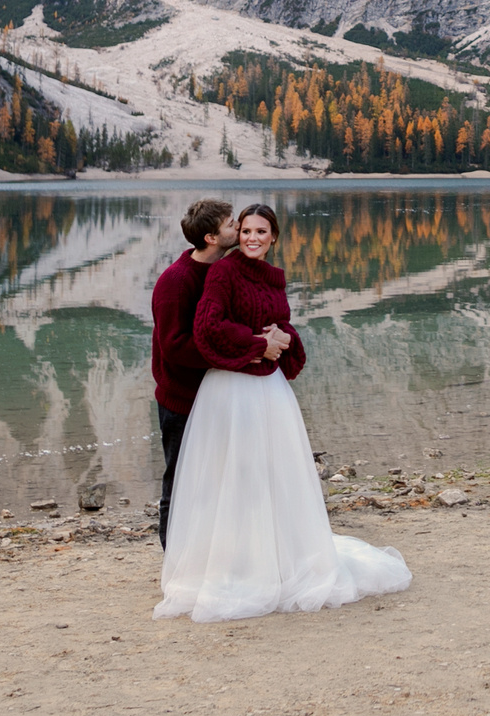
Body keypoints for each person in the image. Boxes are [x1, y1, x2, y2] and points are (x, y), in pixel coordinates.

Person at [154, 204, 410, 621]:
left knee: (267, 474)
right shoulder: (194, 277)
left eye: (259, 230)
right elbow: (198, 335)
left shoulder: (269, 275)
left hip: (262, 389)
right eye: (241, 228)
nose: (248, 235)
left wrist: (283, 337)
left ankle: (268, 559)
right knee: (198, 481)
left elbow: (280, 322)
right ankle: (190, 565)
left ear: (274, 236)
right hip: (203, 392)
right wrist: (258, 343)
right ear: (216, 237)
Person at [149, 199, 234, 544]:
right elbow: (174, 345)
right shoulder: (176, 281)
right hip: (180, 402)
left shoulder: (221, 271)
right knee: (179, 480)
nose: (238, 228)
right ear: (212, 237)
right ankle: (172, 557)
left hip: (214, 396)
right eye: (231, 224)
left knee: (214, 479)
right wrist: (231, 355)